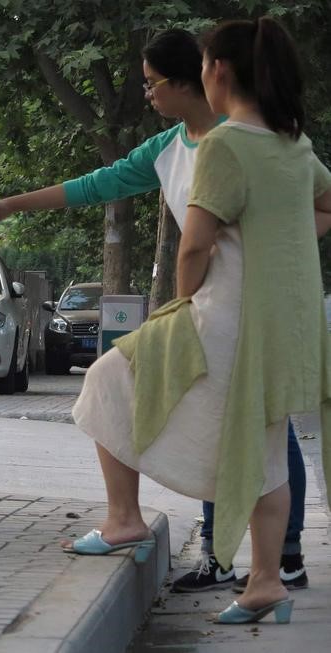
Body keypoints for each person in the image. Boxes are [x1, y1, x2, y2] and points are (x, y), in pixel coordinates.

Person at [0, 28, 330, 594]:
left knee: (252, 420)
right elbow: (97, 185)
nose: (148, 94)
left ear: (199, 77)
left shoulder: (250, 139)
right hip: (210, 302)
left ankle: (276, 558)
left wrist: (264, 255)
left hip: (231, 307)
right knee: (233, 419)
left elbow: (212, 240)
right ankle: (232, 557)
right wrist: (8, 205)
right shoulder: (170, 147)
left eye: (154, 84)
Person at [58, 17, 331, 625]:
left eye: (203, 65)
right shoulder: (294, 143)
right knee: (262, 451)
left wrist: (182, 302)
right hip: (281, 322)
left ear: (219, 72)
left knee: (107, 377)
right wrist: (274, 243)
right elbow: (325, 206)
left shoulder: (225, 144)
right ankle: (265, 583)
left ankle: (125, 519)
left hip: (224, 316)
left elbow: (194, 247)